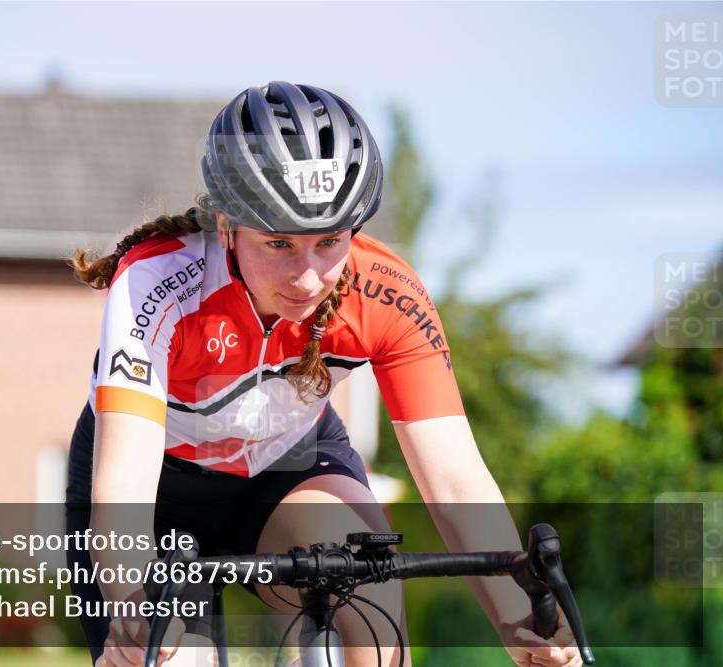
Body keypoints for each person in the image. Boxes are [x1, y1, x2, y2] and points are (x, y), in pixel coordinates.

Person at [65, 81, 583, 667]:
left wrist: (520, 618)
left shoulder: (387, 293)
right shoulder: (157, 282)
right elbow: (126, 488)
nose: (307, 278)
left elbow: (457, 481)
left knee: (367, 587)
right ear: (228, 223)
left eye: (329, 242)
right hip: (154, 488)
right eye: (279, 243)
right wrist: (129, 599)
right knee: (169, 657)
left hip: (286, 466)